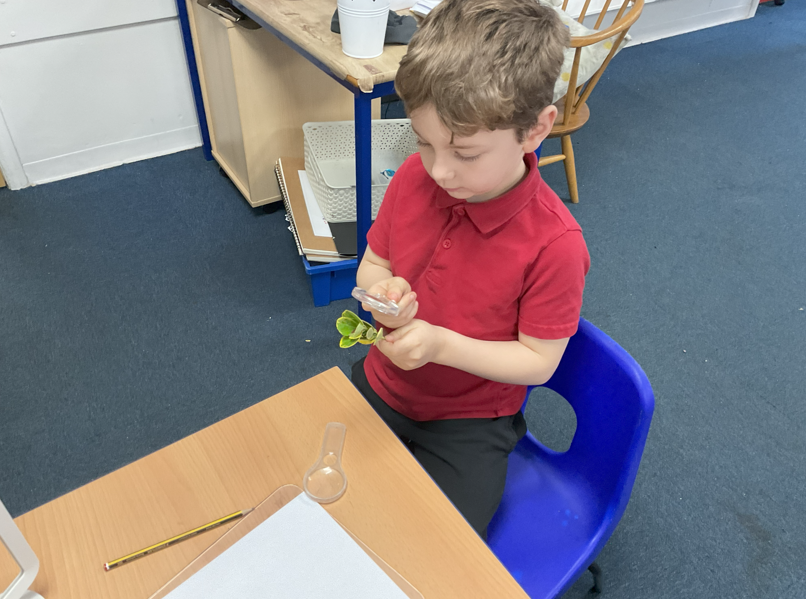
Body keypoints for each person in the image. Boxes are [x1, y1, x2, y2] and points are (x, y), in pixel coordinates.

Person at [351, 0, 590, 540]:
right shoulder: (412, 178)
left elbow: (538, 362)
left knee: (435, 547)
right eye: (424, 142)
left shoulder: (554, 245)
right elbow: (372, 266)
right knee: (315, 494)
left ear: (535, 130)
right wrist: (382, 292)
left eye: (465, 153)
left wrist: (440, 344)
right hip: (383, 382)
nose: (439, 170)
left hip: (470, 422)